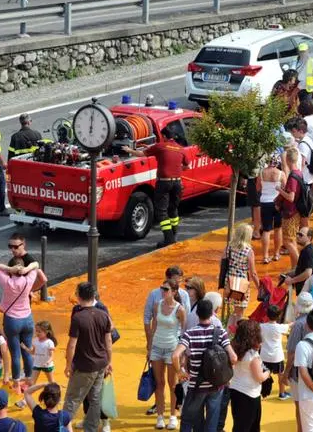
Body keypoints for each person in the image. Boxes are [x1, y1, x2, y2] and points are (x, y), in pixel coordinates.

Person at [173, 298, 237, 432]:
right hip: (216, 385)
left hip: (196, 385)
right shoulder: (221, 333)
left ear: (197, 314)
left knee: (193, 420)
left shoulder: (189, 334)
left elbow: (175, 355)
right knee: (212, 421)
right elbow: (233, 357)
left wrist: (180, 372)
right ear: (212, 313)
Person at [63, 282, 114, 432]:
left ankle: (62, 428)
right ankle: (90, 428)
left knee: (72, 399)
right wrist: (108, 362)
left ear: (78, 296)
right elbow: (108, 342)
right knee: (95, 398)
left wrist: (68, 365)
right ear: (93, 296)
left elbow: (72, 345)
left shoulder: (78, 317)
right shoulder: (104, 315)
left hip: (84, 365)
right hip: (101, 364)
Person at [123, 133, 189, 248]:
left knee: (161, 212)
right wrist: (176, 170)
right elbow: (187, 166)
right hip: (177, 183)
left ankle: (169, 239)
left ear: (164, 136)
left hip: (164, 183)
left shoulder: (160, 146)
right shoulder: (180, 148)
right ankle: (174, 235)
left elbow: (141, 153)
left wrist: (128, 149)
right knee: (173, 209)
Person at [0, 257, 41, 392]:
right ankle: (29, 379)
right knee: (27, 350)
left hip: (12, 320)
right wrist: (26, 269)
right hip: (27, 319)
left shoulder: (7, 282)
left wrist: (10, 269)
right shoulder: (28, 280)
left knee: (15, 354)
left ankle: (16, 383)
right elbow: (36, 264)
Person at [148, 278, 186, 429]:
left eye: (166, 289)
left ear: (174, 292)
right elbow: (154, 327)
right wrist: (149, 347)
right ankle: (160, 415)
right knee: (159, 383)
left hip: (172, 349)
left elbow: (183, 332)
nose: (162, 292)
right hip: (157, 347)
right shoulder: (157, 305)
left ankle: (172, 415)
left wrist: (181, 353)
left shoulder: (180, 309)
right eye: (162, 289)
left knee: (172, 384)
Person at [228, 319, 269, 432]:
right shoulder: (252, 356)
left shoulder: (236, 350)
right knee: (251, 427)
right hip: (250, 395)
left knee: (239, 425)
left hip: (236, 391)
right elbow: (259, 377)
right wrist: (268, 372)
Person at [284, 292, 313, 432]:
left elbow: (291, 352)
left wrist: (285, 373)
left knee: (300, 408)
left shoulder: (298, 325)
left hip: (299, 373)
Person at [223, 222, 260, 330]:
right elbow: (253, 273)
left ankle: (228, 332)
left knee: (235, 310)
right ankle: (235, 334)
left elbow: (222, 262)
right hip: (241, 283)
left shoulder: (229, 247)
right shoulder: (248, 251)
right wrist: (259, 287)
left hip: (229, 281)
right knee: (240, 311)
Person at [258, 155, 286, 264]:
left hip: (265, 202)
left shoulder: (261, 173)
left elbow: (258, 188)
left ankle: (265, 256)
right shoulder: (280, 173)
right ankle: (276, 254)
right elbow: (285, 187)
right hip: (277, 203)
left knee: (266, 230)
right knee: (278, 229)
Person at [259, 304, 290, 400]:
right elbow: (290, 325)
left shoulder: (261, 326)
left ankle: (260, 393)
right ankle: (282, 393)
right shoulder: (280, 327)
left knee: (262, 375)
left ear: (267, 315)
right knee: (280, 375)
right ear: (279, 316)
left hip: (264, 356)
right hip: (277, 356)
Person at [283, 227, 313, 295]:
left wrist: (292, 281)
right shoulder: (310, 249)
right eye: (297, 234)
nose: (297, 236)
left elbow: (308, 273)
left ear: (309, 238)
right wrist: (288, 274)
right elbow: (302, 269)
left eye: (301, 235)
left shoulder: (308, 252)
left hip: (307, 291)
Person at [22, 320, 57, 386]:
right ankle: (28, 395)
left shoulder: (49, 342)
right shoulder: (35, 341)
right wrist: (25, 348)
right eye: (36, 331)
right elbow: (33, 352)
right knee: (32, 383)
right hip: (37, 364)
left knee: (51, 382)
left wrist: (47, 362)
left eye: (39, 332)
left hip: (47, 365)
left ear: (46, 332)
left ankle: (55, 394)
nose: (37, 333)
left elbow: (52, 356)